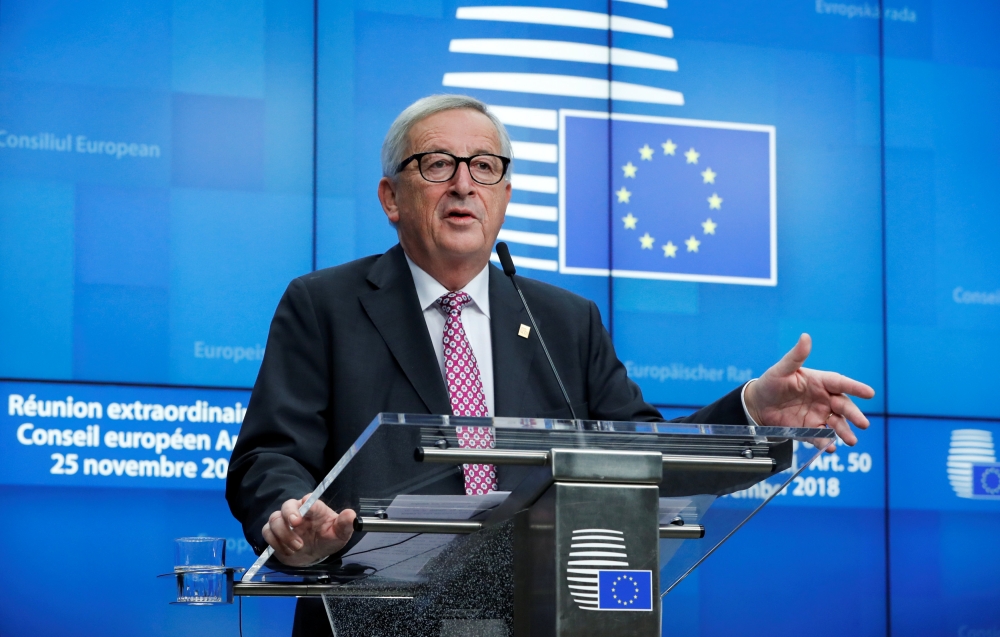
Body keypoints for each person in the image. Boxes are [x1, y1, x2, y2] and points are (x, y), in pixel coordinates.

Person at [226, 94, 875, 632]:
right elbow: (269, 455)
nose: (463, 184)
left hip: (536, 615)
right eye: (436, 164)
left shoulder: (564, 320)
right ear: (391, 198)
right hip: (371, 616)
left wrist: (750, 411)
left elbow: (644, 460)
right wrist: (291, 516)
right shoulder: (325, 305)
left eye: (484, 167)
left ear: (505, 196)